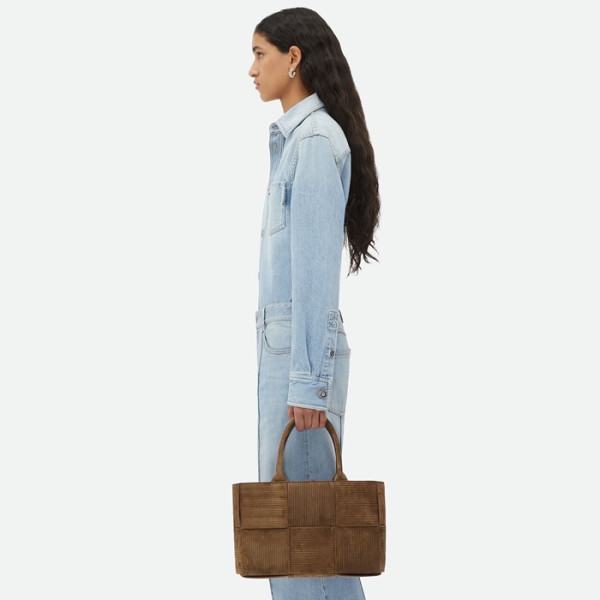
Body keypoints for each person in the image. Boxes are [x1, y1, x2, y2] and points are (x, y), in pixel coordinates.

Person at [248, 7, 380, 600]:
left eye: (260, 54)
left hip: (300, 363)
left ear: (293, 58)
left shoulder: (317, 143)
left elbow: (315, 275)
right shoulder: (297, 143)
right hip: (288, 355)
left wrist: (307, 383)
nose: (252, 70)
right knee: (296, 539)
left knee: (309, 546)